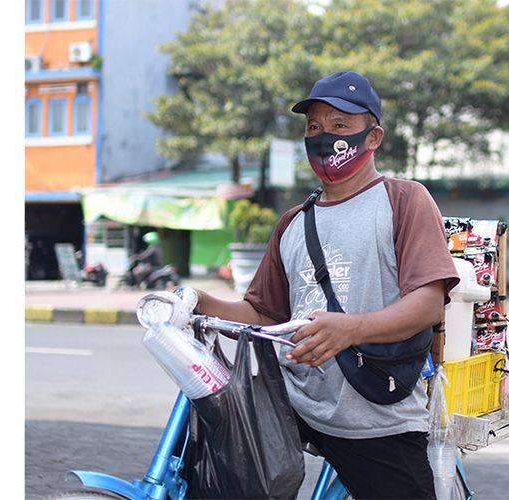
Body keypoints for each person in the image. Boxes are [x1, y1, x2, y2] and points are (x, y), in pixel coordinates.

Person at [195, 71, 459, 499]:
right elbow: (263, 314)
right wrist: (203, 302)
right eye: (314, 127)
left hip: (374, 415)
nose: (323, 138)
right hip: (293, 405)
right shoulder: (293, 223)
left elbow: (428, 304)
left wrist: (350, 329)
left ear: (372, 138)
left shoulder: (404, 200)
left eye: (340, 126)